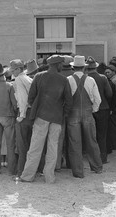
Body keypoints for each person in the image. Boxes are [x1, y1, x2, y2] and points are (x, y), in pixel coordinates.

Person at [14, 55, 72, 183]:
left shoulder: (38, 77)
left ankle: (27, 176)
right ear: (58, 65)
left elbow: (31, 98)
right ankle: (49, 177)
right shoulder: (63, 80)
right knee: (53, 148)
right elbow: (68, 101)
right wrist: (63, 114)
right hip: (56, 118)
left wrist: (37, 108)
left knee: (35, 148)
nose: (63, 65)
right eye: (62, 63)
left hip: (41, 116)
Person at [66, 56, 103, 178]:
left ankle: (78, 171)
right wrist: (93, 110)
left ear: (73, 67)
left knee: (75, 142)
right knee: (91, 140)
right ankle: (97, 167)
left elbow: (66, 99)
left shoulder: (68, 80)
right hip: (87, 112)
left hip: (73, 114)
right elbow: (98, 99)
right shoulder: (91, 80)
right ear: (84, 67)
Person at [0, 62, 18, 175]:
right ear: (4, 74)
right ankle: (11, 170)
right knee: (10, 144)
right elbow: (14, 104)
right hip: (8, 116)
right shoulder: (9, 86)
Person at [86, 57, 113, 163]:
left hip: (89, 109)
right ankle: (102, 157)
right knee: (102, 134)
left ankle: (92, 157)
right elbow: (109, 94)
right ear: (96, 67)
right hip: (103, 108)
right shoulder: (103, 78)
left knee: (90, 135)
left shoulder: (85, 78)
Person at [12, 59, 34, 177]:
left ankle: (21, 172)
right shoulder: (28, 78)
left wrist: (21, 115)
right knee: (31, 144)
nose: (12, 72)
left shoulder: (19, 79)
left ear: (18, 69)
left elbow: (22, 99)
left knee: (21, 146)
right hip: (32, 114)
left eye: (13, 69)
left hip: (24, 114)